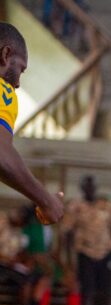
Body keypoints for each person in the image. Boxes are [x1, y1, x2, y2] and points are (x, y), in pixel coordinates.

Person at [0, 23, 64, 225]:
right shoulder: (3, 90)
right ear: (5, 54)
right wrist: (47, 201)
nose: (17, 83)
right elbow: (1, 154)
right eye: (21, 69)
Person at [61, 175, 111, 305]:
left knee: (107, 294)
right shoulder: (75, 207)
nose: (90, 189)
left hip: (106, 252)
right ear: (82, 188)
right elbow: (66, 234)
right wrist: (68, 259)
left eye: (92, 186)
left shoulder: (107, 205)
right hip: (85, 253)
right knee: (87, 293)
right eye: (86, 186)